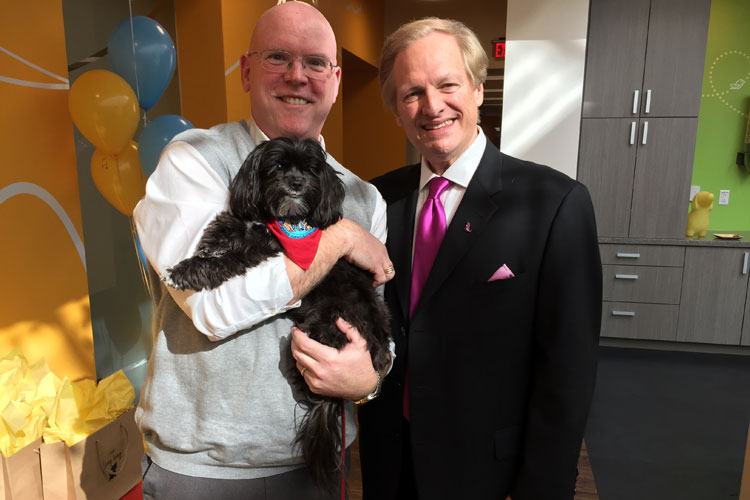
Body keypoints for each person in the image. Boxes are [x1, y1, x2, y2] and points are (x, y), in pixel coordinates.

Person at [133, 2, 393, 499]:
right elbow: (212, 306)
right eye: (278, 57)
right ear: (247, 71)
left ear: (335, 81)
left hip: (318, 461)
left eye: (315, 63)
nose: (298, 76)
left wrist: (371, 378)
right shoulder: (196, 161)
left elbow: (376, 322)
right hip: (206, 473)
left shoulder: (363, 198)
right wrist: (337, 239)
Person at [357, 17, 603, 499]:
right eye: (411, 93)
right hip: (390, 464)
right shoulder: (375, 201)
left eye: (447, 84)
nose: (432, 106)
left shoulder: (555, 204)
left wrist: (543, 487)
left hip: (491, 473)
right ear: (396, 113)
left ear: (476, 89)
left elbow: (568, 371)